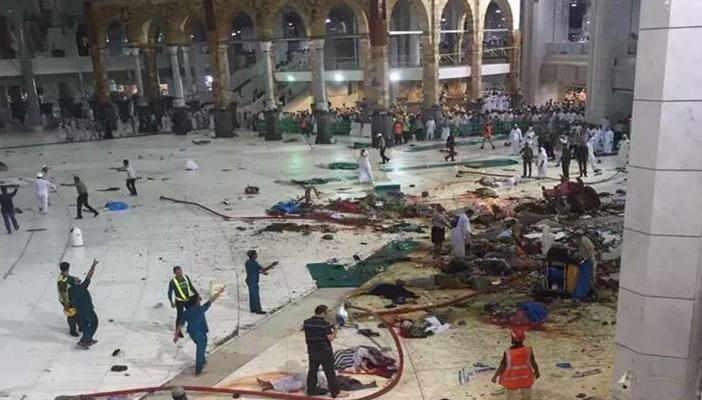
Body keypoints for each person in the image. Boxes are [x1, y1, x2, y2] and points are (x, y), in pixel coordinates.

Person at [173, 285, 226, 375]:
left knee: (200, 347)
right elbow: (211, 300)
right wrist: (219, 292)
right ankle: (198, 369)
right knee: (200, 349)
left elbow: (180, 324)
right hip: (200, 333)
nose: (199, 301)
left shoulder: (186, 313)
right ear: (195, 302)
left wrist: (176, 335)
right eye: (198, 300)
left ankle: (203, 361)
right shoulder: (199, 309)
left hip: (192, 334)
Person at [303, 305, 349, 398]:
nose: (328, 314)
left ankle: (311, 391)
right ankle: (335, 392)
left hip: (312, 351)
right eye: (327, 312)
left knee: (312, 371)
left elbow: (316, 330)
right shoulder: (325, 324)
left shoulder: (306, 322)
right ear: (323, 313)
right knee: (330, 372)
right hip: (325, 352)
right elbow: (330, 338)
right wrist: (336, 329)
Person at [491, 328, 540, 400]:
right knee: (527, 396)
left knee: (512, 397)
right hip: (525, 378)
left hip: (512, 380)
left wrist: (495, 376)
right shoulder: (528, 350)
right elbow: (533, 361)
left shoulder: (508, 353)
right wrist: (537, 371)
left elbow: (503, 366)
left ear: (512, 339)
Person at [68, 259, 100, 349]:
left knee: (85, 325)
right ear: (75, 283)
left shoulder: (70, 290)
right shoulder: (82, 287)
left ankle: (87, 339)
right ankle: (85, 340)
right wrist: (93, 266)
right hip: (87, 309)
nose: (78, 278)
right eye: (76, 279)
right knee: (94, 323)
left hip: (78, 311)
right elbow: (89, 276)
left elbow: (70, 300)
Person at [168, 266, 200, 336]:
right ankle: (178, 331)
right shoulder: (173, 282)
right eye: (177, 273)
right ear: (174, 273)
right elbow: (169, 292)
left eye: (180, 272)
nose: (179, 274)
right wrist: (171, 302)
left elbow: (191, 287)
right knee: (180, 316)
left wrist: (197, 295)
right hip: (179, 301)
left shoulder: (186, 277)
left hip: (188, 299)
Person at [245, 250, 278, 315]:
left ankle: (253, 309)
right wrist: (272, 265)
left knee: (252, 295)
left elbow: (255, 270)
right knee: (255, 295)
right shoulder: (253, 263)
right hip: (252, 281)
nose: (257, 255)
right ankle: (258, 310)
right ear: (253, 256)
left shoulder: (249, 262)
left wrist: (262, 273)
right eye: (256, 254)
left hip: (250, 280)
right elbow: (262, 269)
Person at [57, 261, 81, 337]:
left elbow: (68, 278)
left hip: (71, 298)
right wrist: (67, 305)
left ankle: (80, 326)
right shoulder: (61, 281)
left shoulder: (64, 276)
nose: (68, 271)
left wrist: (75, 279)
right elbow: (63, 294)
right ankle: (72, 330)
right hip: (66, 300)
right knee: (71, 315)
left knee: (76, 312)